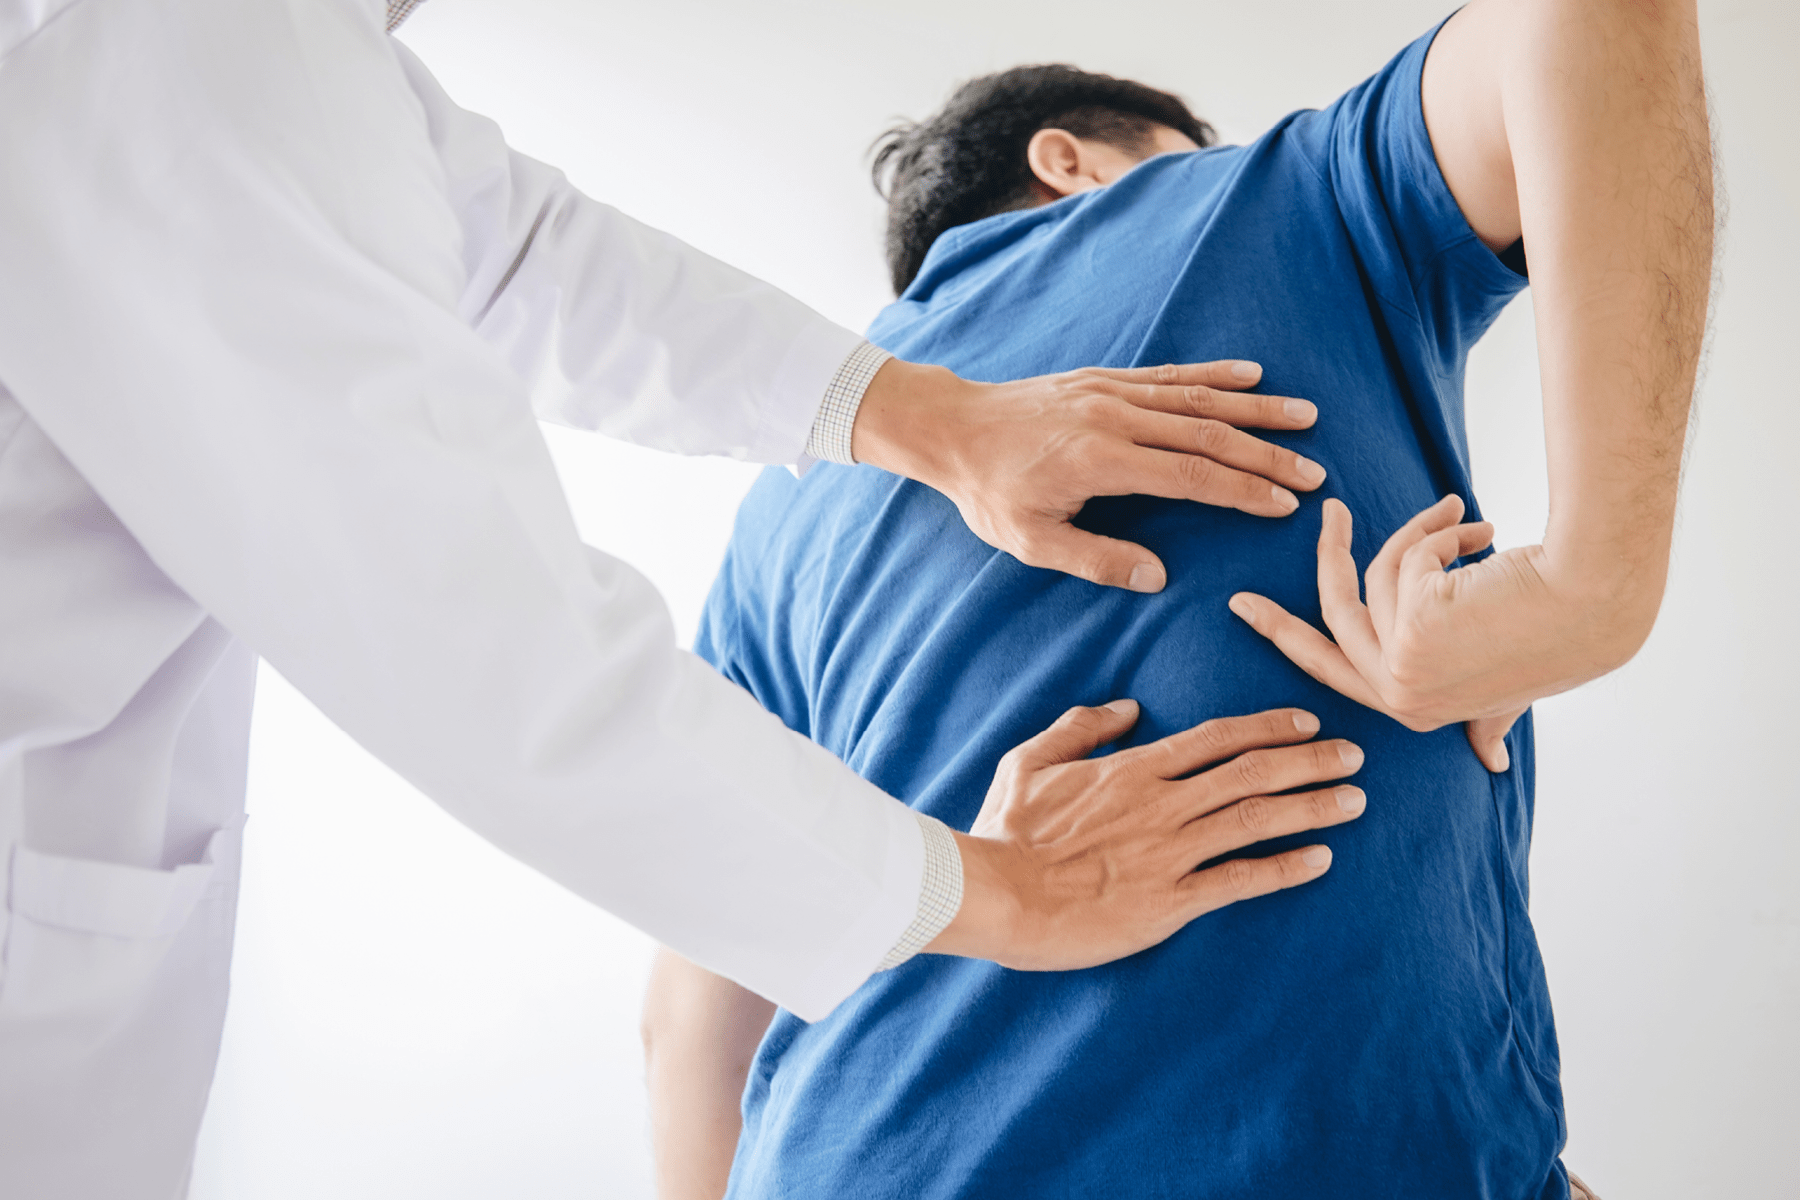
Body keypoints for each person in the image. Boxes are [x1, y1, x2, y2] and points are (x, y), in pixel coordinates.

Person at [0, 0, 1362, 1194]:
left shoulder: (277, 55)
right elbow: (490, 653)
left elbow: (533, 262)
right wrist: (1008, 892)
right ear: (1070, 166)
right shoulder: (174, 46)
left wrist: (931, 422)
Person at [643, 1, 1712, 1196]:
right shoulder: (1265, 202)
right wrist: (1592, 589)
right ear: (1071, 161)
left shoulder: (781, 516)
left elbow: (693, 1012)